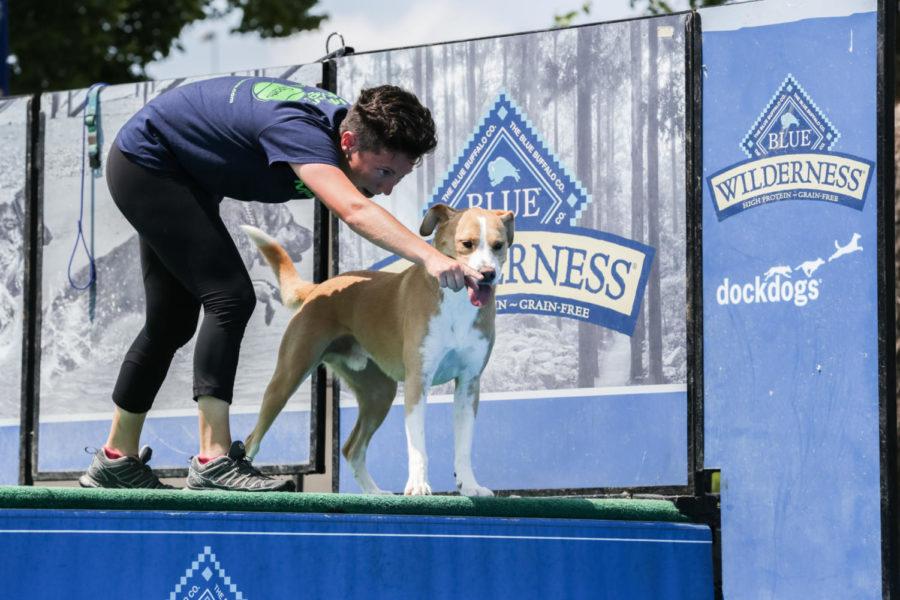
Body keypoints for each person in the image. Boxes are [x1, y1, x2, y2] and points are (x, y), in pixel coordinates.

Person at [78, 76, 482, 492]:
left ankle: (115, 458)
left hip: (177, 172)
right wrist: (432, 255)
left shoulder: (345, 127)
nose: (386, 188)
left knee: (170, 323)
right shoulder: (303, 134)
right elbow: (354, 210)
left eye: (396, 176)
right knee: (230, 298)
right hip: (149, 163)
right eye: (383, 172)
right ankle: (213, 459)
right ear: (347, 143)